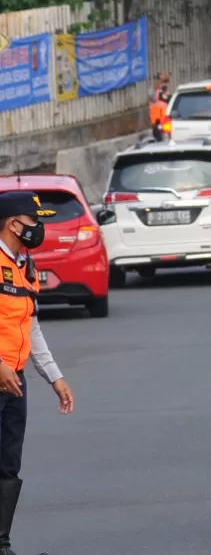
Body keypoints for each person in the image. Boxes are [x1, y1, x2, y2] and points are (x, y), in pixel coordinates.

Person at [0, 192, 74, 555]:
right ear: (14, 223)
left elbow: (31, 326)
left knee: (8, 462)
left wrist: (54, 377)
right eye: (34, 220)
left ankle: (1, 544)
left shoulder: (23, 265)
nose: (39, 228)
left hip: (14, 381)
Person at [146, 73, 171, 141]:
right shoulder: (153, 92)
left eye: (165, 82)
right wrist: (160, 79)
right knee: (159, 141)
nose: (164, 83)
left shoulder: (166, 92)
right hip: (157, 123)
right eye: (162, 81)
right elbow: (152, 94)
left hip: (166, 121)